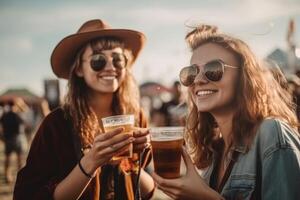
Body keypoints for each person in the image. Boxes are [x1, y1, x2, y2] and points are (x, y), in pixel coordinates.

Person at [151, 24, 300, 199]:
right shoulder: (216, 150)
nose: (198, 80)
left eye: (213, 69)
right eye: (191, 72)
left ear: (244, 77)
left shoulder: (272, 133)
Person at [14, 19, 154, 200]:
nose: (111, 67)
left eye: (118, 59)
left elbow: (147, 191)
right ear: (79, 69)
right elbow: (27, 195)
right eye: (98, 60)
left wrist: (132, 163)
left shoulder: (136, 116)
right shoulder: (57, 124)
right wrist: (90, 162)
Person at [0, 101, 26, 183]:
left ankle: (7, 176)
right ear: (15, 105)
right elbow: (25, 122)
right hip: (18, 138)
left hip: (8, 138)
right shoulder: (18, 115)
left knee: (8, 159)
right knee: (20, 160)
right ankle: (21, 177)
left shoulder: (5, 115)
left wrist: (2, 137)